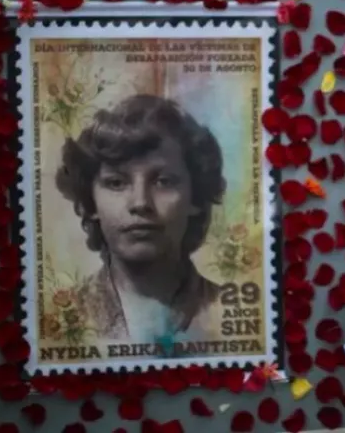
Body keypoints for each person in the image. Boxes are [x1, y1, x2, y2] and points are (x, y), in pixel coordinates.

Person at [55, 94, 227, 342]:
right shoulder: (60, 318)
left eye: (163, 182)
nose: (140, 203)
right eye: (116, 183)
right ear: (91, 202)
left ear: (195, 199)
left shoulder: (223, 310)